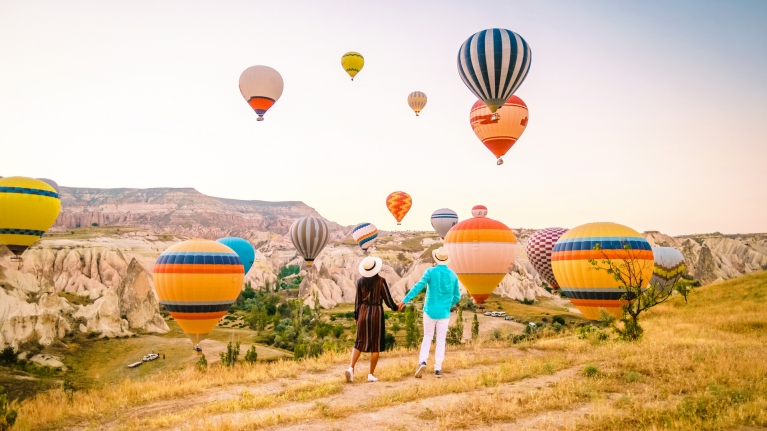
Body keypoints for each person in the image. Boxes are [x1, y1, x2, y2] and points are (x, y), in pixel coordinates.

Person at [398, 247, 460, 378]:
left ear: (436, 259)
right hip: (444, 313)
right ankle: (438, 368)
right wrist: (448, 304)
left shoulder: (430, 272)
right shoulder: (453, 275)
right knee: (441, 339)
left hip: (430, 311)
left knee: (427, 336)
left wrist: (405, 300)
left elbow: (418, 286)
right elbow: (457, 296)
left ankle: (423, 361)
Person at [346, 256, 399, 383]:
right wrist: (396, 308)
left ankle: (351, 368)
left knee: (359, 342)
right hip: (376, 313)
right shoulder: (381, 281)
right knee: (375, 345)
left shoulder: (360, 282)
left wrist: (356, 316)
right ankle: (370, 374)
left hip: (363, 312)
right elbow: (388, 300)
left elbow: (357, 301)